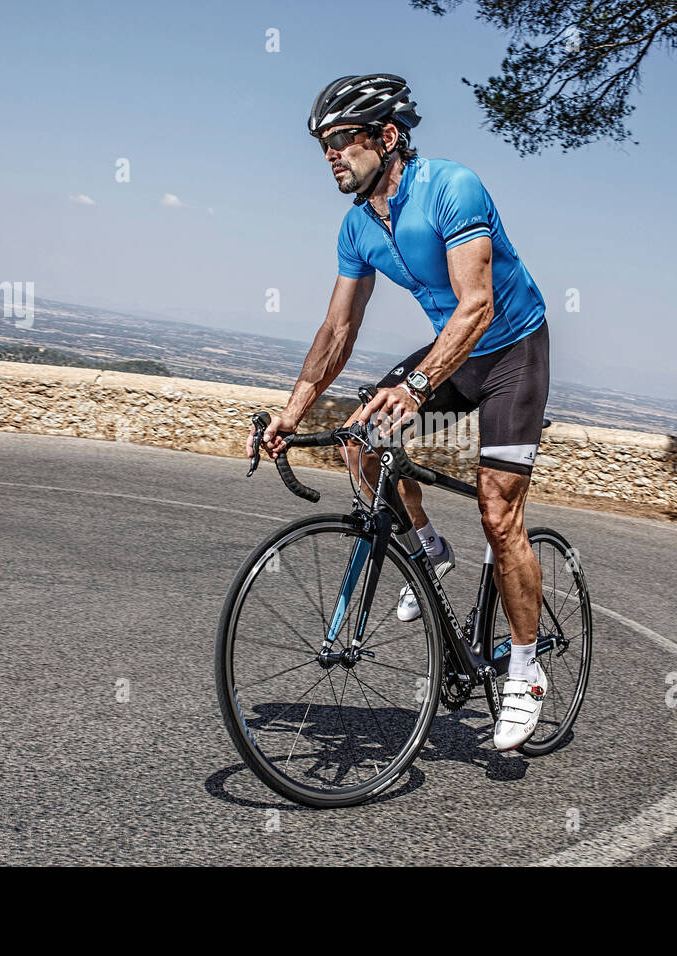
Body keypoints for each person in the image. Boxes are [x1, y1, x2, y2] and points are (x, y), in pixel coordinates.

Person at [249, 74, 552, 751]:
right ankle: (428, 547)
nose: (330, 154)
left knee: (500, 515)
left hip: (510, 352)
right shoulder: (358, 226)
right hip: (451, 353)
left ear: (386, 138)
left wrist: (414, 388)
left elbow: (477, 307)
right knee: (359, 442)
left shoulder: (451, 187)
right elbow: (337, 331)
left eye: (341, 140)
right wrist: (292, 412)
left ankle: (526, 674)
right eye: (322, 145)